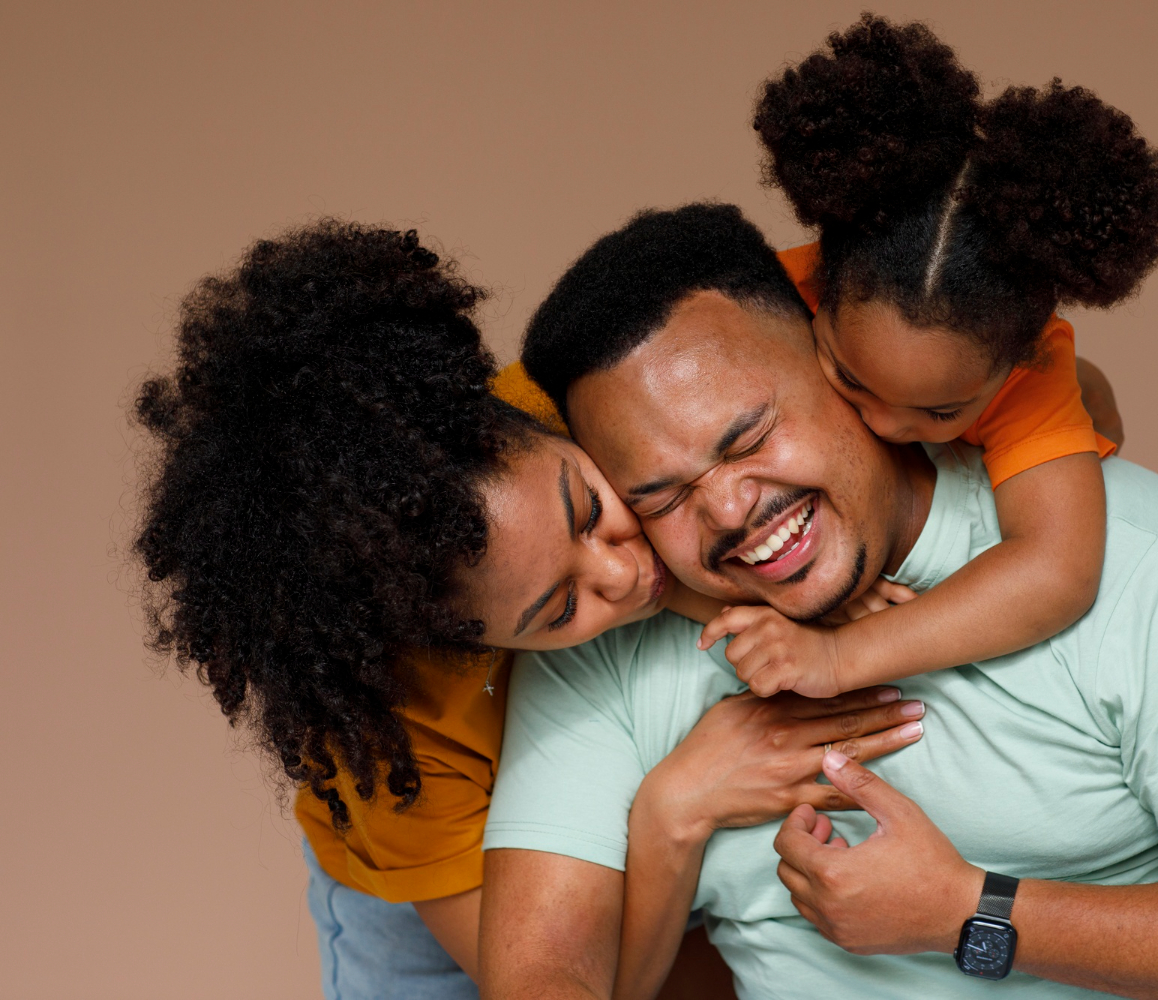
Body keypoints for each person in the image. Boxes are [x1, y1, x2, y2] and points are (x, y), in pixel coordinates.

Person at [483, 202, 1158, 999]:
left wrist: (970, 911)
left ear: (842, 366)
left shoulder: (1140, 556)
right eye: (662, 496)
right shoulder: (603, 635)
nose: (728, 510)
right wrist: (673, 807)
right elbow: (542, 974)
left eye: (751, 436)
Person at [132, 220, 927, 999]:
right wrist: (670, 814)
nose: (625, 571)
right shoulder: (398, 742)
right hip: (436, 921)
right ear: (467, 641)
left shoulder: (541, 405)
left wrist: (784, 586)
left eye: (588, 508)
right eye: (560, 608)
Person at [697, 15, 1158, 705]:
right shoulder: (766, 300)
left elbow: (1056, 571)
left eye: (941, 411)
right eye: (850, 380)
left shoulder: (1033, 376)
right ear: (819, 292)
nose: (890, 427)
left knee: (1089, 402)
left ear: (1016, 363)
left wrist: (841, 654)